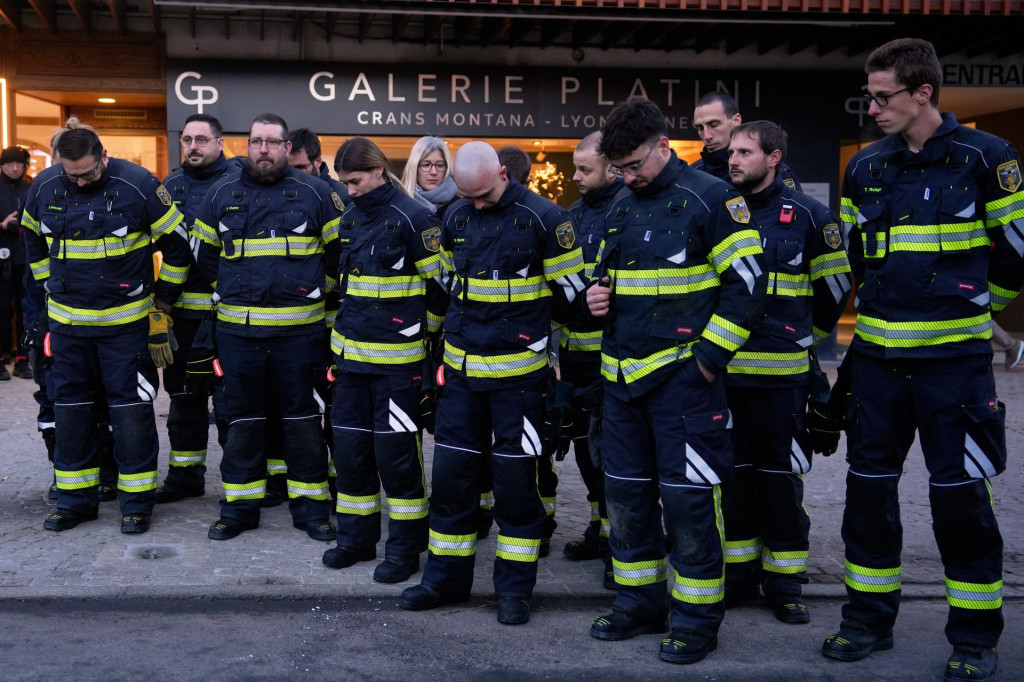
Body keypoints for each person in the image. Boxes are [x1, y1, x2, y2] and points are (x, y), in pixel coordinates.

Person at [821, 38, 1024, 682]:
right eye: (870, 96)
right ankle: (865, 623)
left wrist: (963, 313)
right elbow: (852, 261)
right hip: (877, 363)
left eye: (883, 97)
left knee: (961, 500)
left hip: (955, 371)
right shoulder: (866, 168)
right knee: (868, 495)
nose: (872, 108)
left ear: (923, 93)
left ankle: (973, 638)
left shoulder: (988, 159)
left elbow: (1016, 256)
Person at [585, 97, 766, 664]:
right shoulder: (620, 202)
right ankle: (639, 602)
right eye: (620, 168)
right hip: (622, 381)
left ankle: (695, 619)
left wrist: (708, 361)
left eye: (636, 164)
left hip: (684, 383)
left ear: (665, 145)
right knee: (628, 499)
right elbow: (604, 274)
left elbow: (748, 286)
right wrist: (597, 296)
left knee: (689, 504)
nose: (629, 176)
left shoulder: (713, 199)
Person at [400, 141, 588, 626]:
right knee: (450, 483)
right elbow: (445, 291)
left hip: (520, 384)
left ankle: (514, 590)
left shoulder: (549, 220)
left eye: (483, 195)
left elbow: (573, 303)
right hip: (461, 377)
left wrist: (564, 376)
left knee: (515, 487)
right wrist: (429, 358)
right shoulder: (457, 216)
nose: (476, 204)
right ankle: (444, 580)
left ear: (504, 173)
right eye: (468, 196)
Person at [22, 127, 192, 534]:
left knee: (131, 415)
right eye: (72, 174)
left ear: (103, 156)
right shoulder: (46, 185)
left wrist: (163, 302)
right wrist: (49, 286)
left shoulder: (138, 185)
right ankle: (74, 501)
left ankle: (136, 504)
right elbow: (31, 236)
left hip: (125, 329)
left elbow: (179, 245)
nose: (79, 181)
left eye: (87, 173)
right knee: (71, 414)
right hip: (67, 328)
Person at [720, 120, 852, 623]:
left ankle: (786, 582)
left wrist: (798, 331)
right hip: (726, 377)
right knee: (732, 482)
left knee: (781, 482)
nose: (733, 160)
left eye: (745, 152)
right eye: (732, 152)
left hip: (784, 379)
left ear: (773, 157)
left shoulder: (812, 217)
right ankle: (738, 576)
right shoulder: (719, 213)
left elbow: (836, 289)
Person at [192, 113, 343, 542]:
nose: (263, 150)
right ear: (246, 146)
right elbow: (206, 258)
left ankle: (312, 510)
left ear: (286, 148)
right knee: (241, 424)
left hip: (301, 337)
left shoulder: (316, 194)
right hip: (239, 337)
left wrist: (314, 292)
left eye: (272, 143)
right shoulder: (220, 193)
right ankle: (239, 509)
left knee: (303, 424)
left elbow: (339, 257)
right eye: (256, 142)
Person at [321, 136, 447, 584]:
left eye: (354, 181)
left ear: (378, 171)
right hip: (352, 364)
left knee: (397, 461)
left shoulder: (416, 220)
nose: (350, 190)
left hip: (398, 366)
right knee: (352, 456)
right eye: (344, 183)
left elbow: (441, 289)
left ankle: (405, 549)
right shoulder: (350, 218)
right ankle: (355, 540)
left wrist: (423, 334)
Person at [153, 113, 235, 504]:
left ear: (220, 143)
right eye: (187, 140)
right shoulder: (169, 185)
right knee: (184, 399)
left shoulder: (238, 181)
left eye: (202, 140)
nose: (193, 147)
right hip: (183, 316)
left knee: (231, 401)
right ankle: (185, 476)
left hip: (228, 316)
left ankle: (241, 481)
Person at [559, 131, 628, 588]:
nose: (575, 176)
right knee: (586, 450)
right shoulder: (572, 217)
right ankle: (600, 526)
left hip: (618, 360)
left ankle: (622, 542)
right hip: (576, 359)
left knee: (617, 454)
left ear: (613, 167)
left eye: (585, 169)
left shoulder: (630, 208)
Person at [692, 92, 801, 190]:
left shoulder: (775, 171)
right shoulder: (692, 174)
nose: (706, 136)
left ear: (736, 121)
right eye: (700, 128)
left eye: (714, 125)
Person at [0, 145, 32, 381]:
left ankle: (23, 359)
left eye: (18, 164)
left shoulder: (29, 189)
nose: (14, 168)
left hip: (23, 257)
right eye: (10, 164)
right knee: (2, 310)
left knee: (25, 310)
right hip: (1, 257)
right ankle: (1, 360)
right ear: (2, 166)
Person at [401, 136, 458, 217]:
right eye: (426, 165)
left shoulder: (460, 206)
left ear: (447, 168)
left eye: (440, 165)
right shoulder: (400, 204)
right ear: (414, 168)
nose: (434, 172)